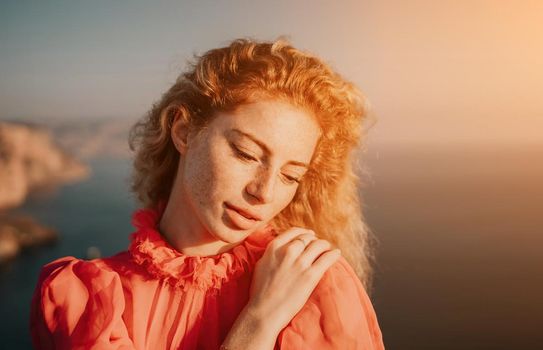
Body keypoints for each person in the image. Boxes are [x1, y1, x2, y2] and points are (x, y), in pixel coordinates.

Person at [29, 38, 384, 349]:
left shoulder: (314, 287)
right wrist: (258, 323)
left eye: (291, 175)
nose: (264, 192)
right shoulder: (85, 300)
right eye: (246, 154)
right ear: (184, 132)